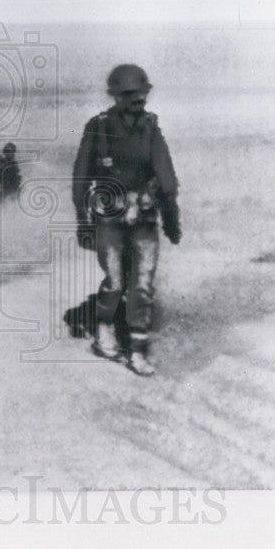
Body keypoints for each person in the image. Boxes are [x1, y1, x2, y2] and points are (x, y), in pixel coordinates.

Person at [72, 64, 181, 376]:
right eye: (130, 94)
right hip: (109, 217)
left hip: (145, 216)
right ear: (116, 96)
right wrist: (82, 219)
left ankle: (138, 349)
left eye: (142, 92)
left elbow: (166, 175)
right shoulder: (99, 127)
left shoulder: (150, 127)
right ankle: (105, 327)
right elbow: (81, 177)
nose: (138, 99)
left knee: (143, 285)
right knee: (116, 282)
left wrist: (172, 218)